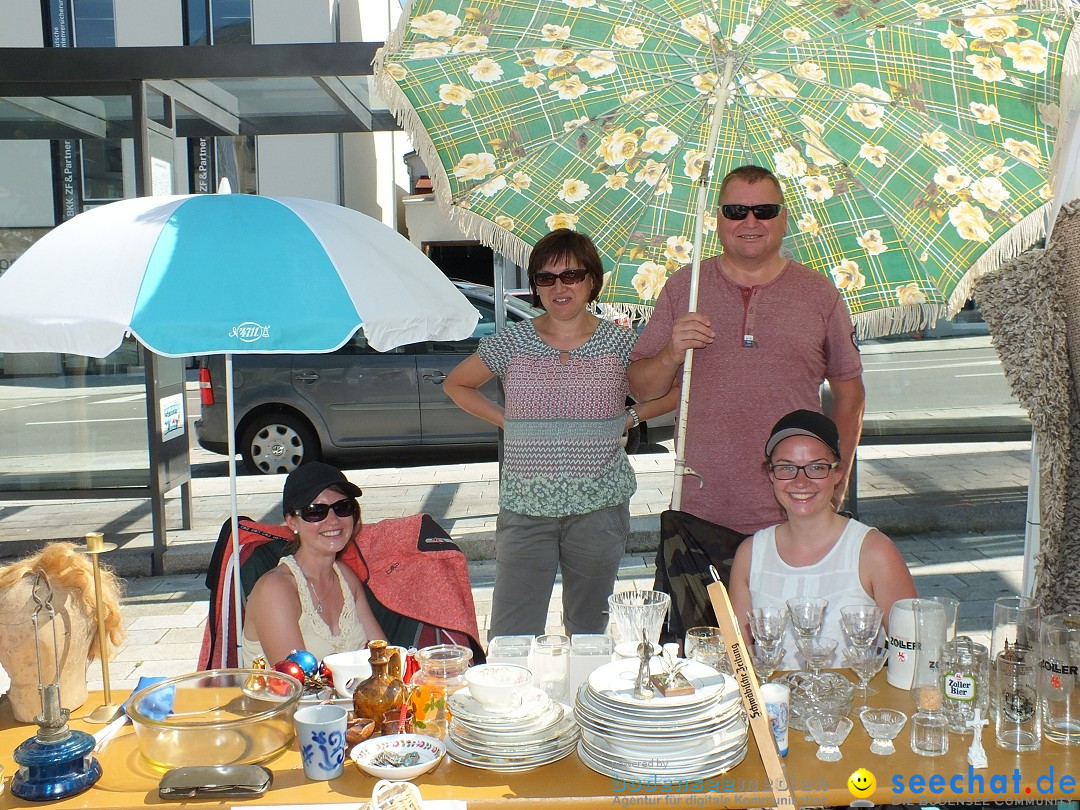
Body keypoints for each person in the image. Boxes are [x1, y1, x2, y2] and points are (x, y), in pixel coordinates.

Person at [444, 229, 673, 637]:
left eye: (571, 275)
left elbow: (671, 392)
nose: (559, 286)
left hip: (599, 506)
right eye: (546, 278)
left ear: (591, 281)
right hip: (526, 507)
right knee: (512, 633)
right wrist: (507, 420)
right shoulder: (511, 341)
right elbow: (456, 385)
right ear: (535, 286)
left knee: (587, 631)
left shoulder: (623, 344)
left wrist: (630, 419)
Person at [628, 164, 865, 538]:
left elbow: (850, 398)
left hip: (795, 514)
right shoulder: (684, 288)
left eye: (764, 211)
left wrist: (836, 483)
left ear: (783, 219)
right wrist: (671, 352)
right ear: (718, 220)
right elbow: (643, 390)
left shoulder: (819, 294)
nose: (750, 221)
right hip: (700, 513)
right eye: (736, 211)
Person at [729, 410, 916, 668]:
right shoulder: (750, 554)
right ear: (771, 475)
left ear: (837, 474)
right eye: (786, 467)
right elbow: (739, 659)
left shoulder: (873, 552)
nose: (801, 481)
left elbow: (915, 651)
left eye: (816, 467)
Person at [242, 462, 385, 666]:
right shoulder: (275, 590)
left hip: (356, 697)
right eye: (315, 511)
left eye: (342, 507)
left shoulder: (345, 576)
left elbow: (386, 658)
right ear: (292, 522)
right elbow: (299, 686)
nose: (333, 520)